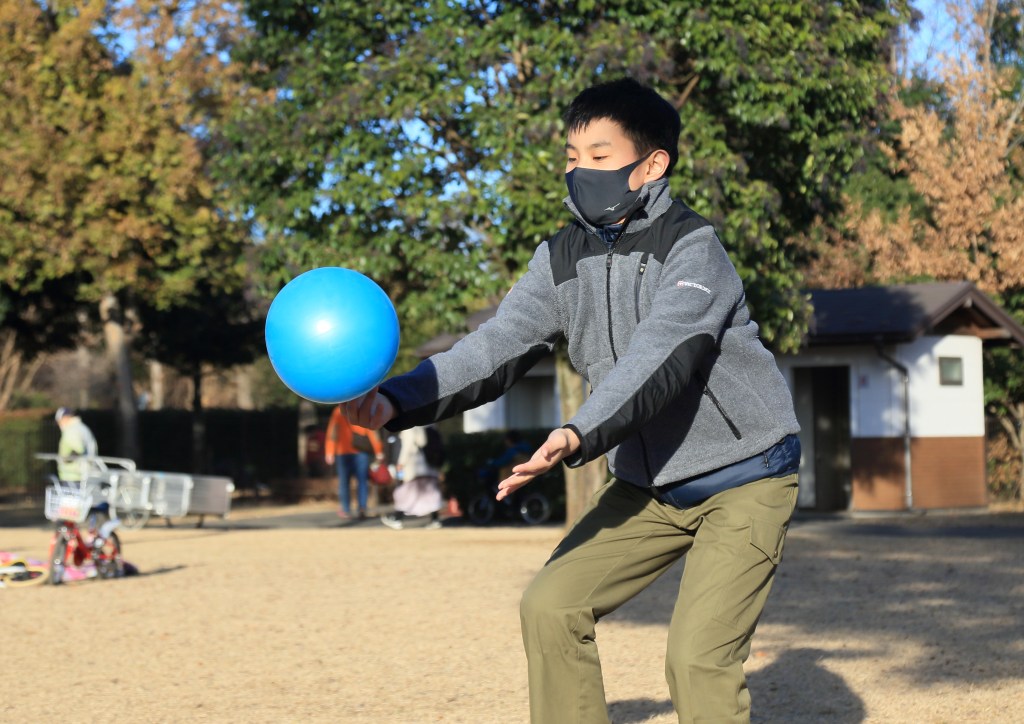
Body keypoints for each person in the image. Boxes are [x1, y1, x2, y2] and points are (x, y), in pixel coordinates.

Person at [340, 77, 801, 723]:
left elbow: (663, 355)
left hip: (744, 477)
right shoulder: (559, 257)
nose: (581, 170)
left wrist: (578, 432)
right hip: (647, 487)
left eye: (600, 156)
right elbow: (495, 345)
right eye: (572, 156)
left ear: (652, 165)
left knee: (697, 659)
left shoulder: (694, 249)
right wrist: (396, 400)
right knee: (551, 606)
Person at [324, 405, 384, 519]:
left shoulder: (338, 410)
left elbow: (333, 431)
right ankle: (362, 508)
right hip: (359, 451)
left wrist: (330, 451)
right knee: (362, 481)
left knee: (344, 482)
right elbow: (372, 430)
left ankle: (346, 510)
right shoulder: (361, 407)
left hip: (343, 452)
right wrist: (378, 450)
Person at [381, 425, 445, 530]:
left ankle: (397, 518)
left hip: (414, 466)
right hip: (428, 466)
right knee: (430, 494)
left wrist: (401, 463)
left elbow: (407, 447)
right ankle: (435, 520)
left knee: (405, 492)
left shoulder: (409, 427)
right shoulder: (427, 426)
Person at [54, 407, 98, 484]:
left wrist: (65, 459)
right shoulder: (82, 427)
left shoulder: (71, 430)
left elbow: (79, 450)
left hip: (73, 475)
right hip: (84, 473)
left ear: (65, 418)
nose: (59, 424)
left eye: (59, 421)